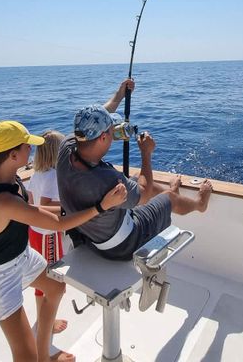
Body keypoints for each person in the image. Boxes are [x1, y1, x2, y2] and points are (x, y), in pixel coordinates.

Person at [0, 120, 127, 362]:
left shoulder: (11, 180)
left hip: (21, 257)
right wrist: (101, 206)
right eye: (27, 146)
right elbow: (59, 225)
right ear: (13, 155)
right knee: (25, 356)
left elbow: (34, 210)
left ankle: (44, 355)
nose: (31, 150)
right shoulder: (2, 201)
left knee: (56, 287)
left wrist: (70, 209)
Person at [56, 80, 212, 261]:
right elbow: (144, 195)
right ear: (104, 137)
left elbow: (102, 114)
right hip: (123, 245)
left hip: (91, 235)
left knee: (138, 179)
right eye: (111, 130)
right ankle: (198, 204)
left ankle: (171, 196)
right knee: (164, 195)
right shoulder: (106, 179)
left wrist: (120, 94)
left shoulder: (66, 146)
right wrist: (146, 153)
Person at [25, 130, 68, 335]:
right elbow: (45, 204)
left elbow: (31, 201)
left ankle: (44, 318)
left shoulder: (37, 173)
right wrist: (71, 204)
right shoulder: (52, 175)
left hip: (36, 231)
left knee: (41, 276)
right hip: (46, 235)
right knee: (51, 279)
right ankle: (47, 323)